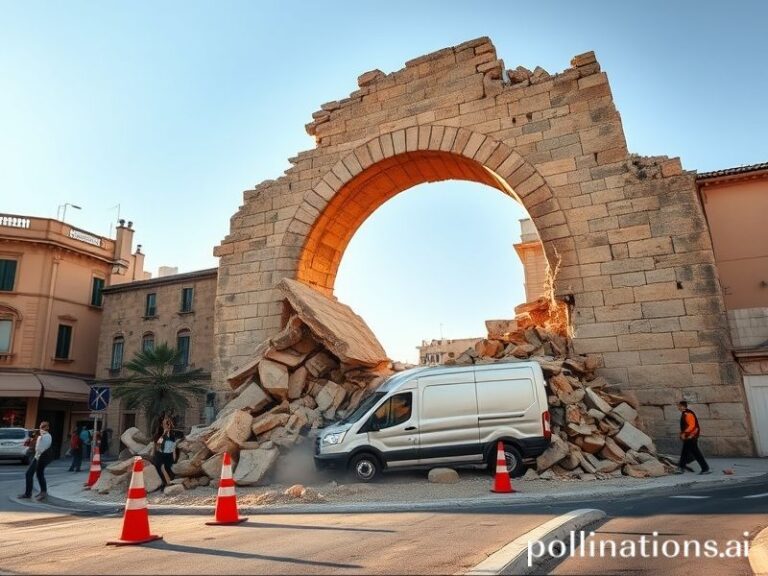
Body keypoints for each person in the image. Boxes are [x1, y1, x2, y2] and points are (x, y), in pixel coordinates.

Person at [18, 421, 53, 500]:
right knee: (37, 474)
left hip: (42, 457)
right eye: (41, 425)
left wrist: (38, 433)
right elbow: (33, 439)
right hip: (38, 456)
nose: (41, 427)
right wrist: (34, 435)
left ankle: (33, 493)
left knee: (31, 474)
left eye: (43, 426)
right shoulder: (41, 435)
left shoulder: (46, 436)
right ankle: (40, 492)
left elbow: (42, 448)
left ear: (46, 427)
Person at [675, 401, 711, 475]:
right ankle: (681, 467)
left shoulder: (688, 414)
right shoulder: (685, 413)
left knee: (695, 452)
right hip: (689, 436)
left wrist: (684, 433)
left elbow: (692, 426)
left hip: (691, 436)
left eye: (679, 406)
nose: (678, 407)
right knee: (685, 452)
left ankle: (705, 468)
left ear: (683, 406)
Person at [154, 418, 178, 488]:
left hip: (169, 455)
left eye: (168, 424)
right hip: (160, 455)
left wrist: (174, 458)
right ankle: (168, 483)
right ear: (162, 425)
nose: (167, 426)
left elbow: (173, 447)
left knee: (168, 468)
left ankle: (167, 483)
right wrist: (163, 434)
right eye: (165, 424)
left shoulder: (172, 435)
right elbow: (158, 444)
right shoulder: (159, 434)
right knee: (162, 467)